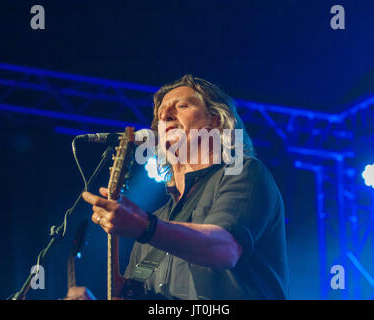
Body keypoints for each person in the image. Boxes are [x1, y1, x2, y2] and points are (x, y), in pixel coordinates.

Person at [81, 75, 289, 300]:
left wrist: (145, 227)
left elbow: (224, 249)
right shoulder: (159, 219)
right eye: (161, 115)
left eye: (181, 106)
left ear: (216, 120)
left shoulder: (244, 172)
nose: (166, 115)